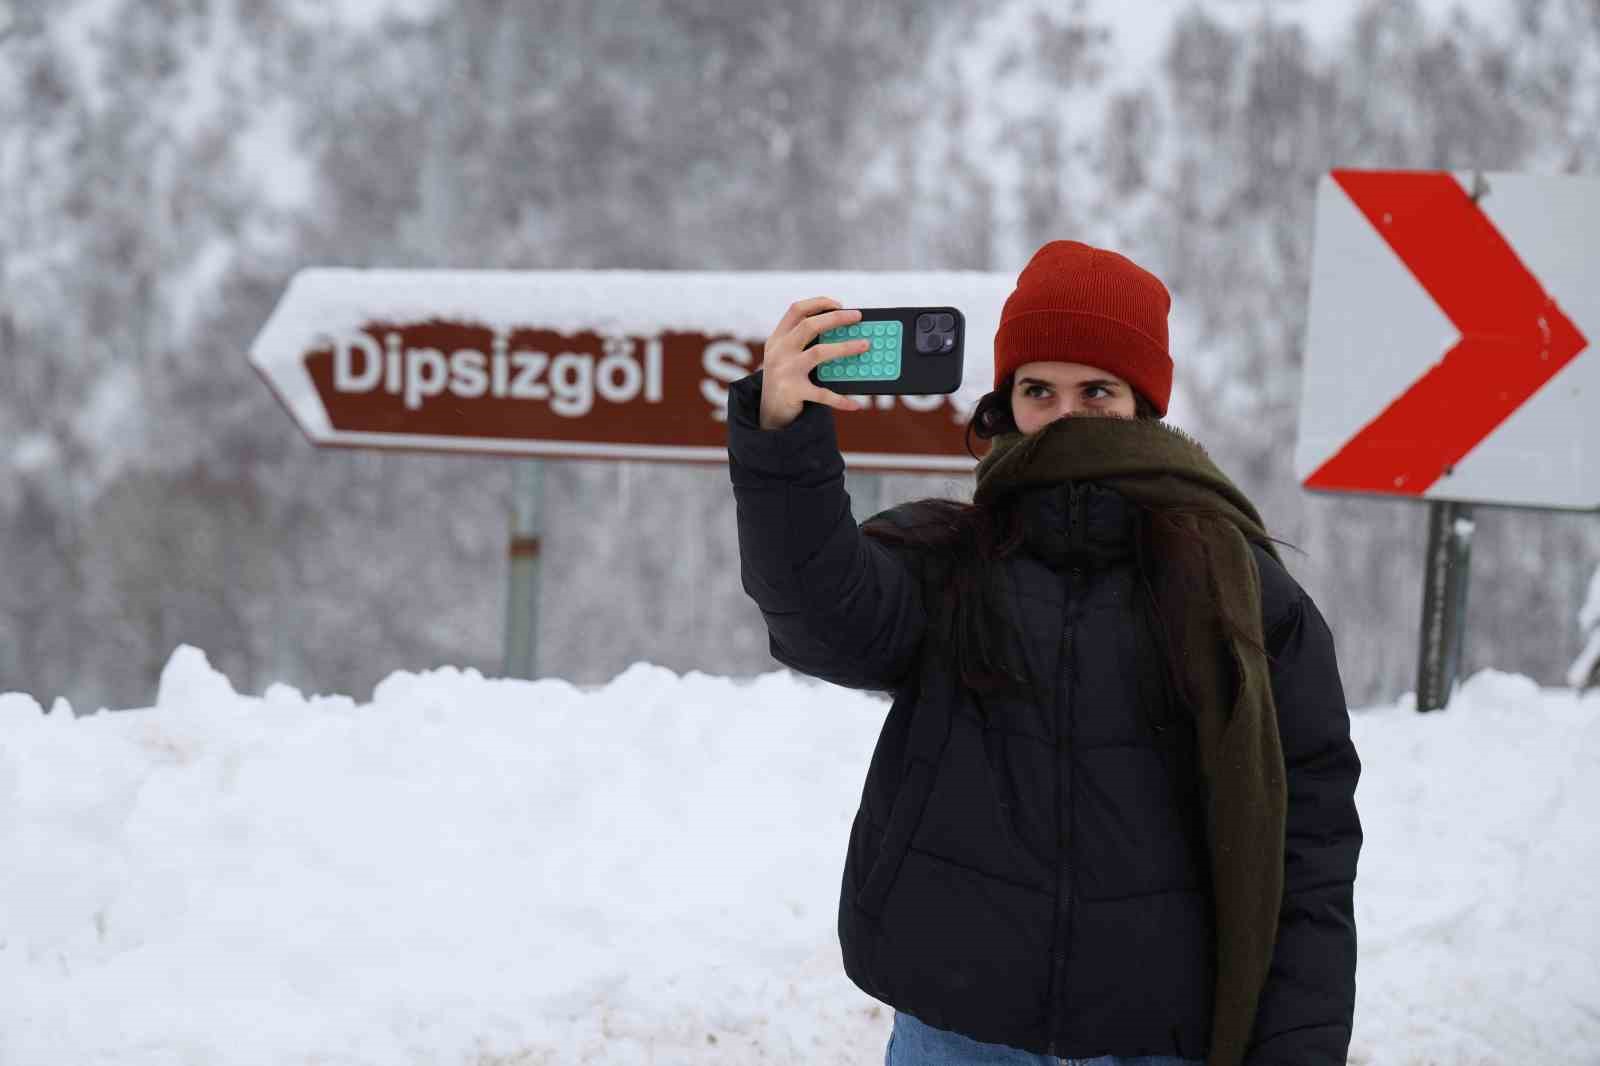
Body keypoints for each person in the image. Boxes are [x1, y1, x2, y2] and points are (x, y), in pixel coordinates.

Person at [725, 240, 1362, 1066]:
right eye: (1038, 390)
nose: (1064, 416)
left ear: (1144, 404)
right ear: (1007, 403)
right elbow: (818, 614)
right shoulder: (951, 558)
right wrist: (783, 436)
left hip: (1151, 1040)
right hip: (957, 1033)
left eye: (1095, 390)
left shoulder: (1239, 590)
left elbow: (1310, 838)